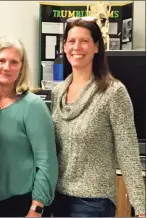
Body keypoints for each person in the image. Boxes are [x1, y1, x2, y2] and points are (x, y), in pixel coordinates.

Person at [51, 17, 146, 217]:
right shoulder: (58, 92)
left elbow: (127, 152)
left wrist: (141, 207)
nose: (77, 47)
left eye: (84, 41)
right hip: (59, 198)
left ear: (96, 47)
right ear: (64, 46)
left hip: (93, 202)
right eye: (71, 41)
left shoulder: (113, 92)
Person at [0, 37, 58, 217]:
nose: (6, 67)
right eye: (1, 60)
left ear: (21, 67)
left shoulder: (33, 106)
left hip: (21, 205)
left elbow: (46, 161)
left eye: (14, 62)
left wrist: (36, 208)